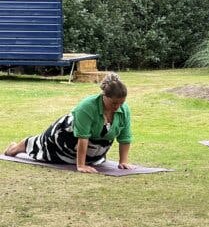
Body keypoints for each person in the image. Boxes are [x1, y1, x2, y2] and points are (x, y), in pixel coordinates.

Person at [4, 72, 133, 173]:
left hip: (92, 151)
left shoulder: (124, 110)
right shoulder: (87, 106)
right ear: (104, 96)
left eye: (121, 103)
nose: (117, 107)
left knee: (90, 160)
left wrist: (123, 161)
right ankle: (16, 148)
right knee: (43, 149)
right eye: (114, 103)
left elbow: (125, 137)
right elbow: (83, 137)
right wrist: (81, 166)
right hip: (62, 137)